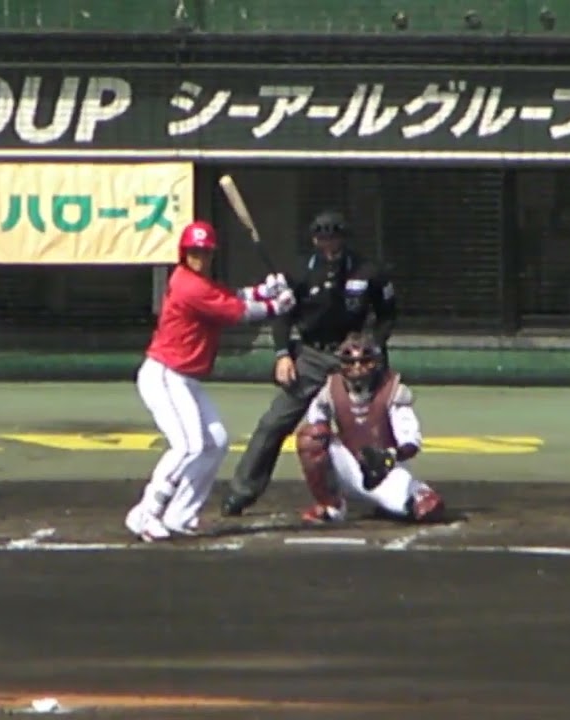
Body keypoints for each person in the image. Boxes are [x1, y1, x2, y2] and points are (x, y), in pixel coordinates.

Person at [125, 220, 296, 542]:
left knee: (215, 442)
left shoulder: (201, 283)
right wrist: (276, 305)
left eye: (204, 252)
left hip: (184, 378)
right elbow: (236, 312)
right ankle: (146, 513)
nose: (199, 257)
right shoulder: (188, 285)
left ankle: (180, 515)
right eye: (194, 252)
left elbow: (229, 296)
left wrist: (263, 290)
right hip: (165, 374)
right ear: (184, 253)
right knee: (188, 446)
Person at [222, 210, 398, 517]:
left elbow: (388, 313)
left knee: (373, 426)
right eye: (323, 238)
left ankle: (390, 493)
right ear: (315, 240)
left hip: (353, 359)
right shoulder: (299, 271)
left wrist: (372, 347)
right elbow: (283, 315)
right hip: (312, 355)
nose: (329, 244)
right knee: (273, 422)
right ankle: (242, 492)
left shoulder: (367, 271)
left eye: (335, 237)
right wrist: (282, 354)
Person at [293, 333, 444, 523]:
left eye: (365, 362)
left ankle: (412, 495)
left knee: (426, 508)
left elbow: (411, 442)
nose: (357, 368)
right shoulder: (330, 389)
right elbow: (315, 422)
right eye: (350, 363)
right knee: (311, 438)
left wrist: (388, 456)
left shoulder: (393, 391)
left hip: (385, 472)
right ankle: (331, 505)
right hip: (348, 466)